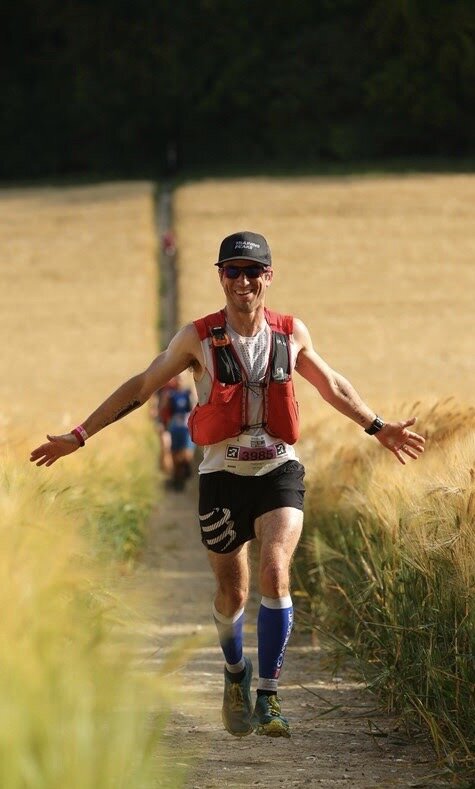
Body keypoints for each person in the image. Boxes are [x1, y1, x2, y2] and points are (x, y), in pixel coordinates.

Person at [30, 230, 426, 739]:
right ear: (220, 277)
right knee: (231, 590)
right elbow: (142, 385)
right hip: (221, 476)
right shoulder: (197, 337)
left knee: (276, 571)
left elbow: (332, 384)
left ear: (269, 277)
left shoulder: (291, 332)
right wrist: (79, 435)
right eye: (232, 271)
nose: (243, 281)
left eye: (252, 272)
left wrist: (378, 425)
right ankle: (235, 671)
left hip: (279, 470)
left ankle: (269, 695)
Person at [164, 372, 195, 490]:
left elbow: (194, 407)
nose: (179, 381)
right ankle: (177, 479)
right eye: (177, 379)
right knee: (175, 454)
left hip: (186, 428)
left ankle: (184, 473)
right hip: (175, 427)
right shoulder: (170, 395)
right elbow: (166, 411)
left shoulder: (188, 393)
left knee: (187, 455)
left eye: (181, 379)